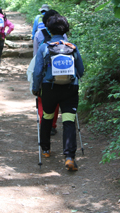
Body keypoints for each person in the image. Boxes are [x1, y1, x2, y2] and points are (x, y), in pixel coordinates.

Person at [31, 14, 85, 171]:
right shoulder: (72, 47)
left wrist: (36, 89)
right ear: (66, 29)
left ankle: (46, 150)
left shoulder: (44, 47)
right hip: (70, 88)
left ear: (48, 29)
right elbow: (80, 70)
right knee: (68, 121)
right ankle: (69, 157)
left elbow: (37, 72)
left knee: (47, 116)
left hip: (50, 88)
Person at [33, 9, 68, 136]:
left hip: (44, 74)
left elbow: (36, 55)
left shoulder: (38, 34)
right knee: (57, 100)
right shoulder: (63, 36)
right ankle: (52, 125)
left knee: (42, 99)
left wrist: (35, 83)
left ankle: (45, 122)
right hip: (62, 71)